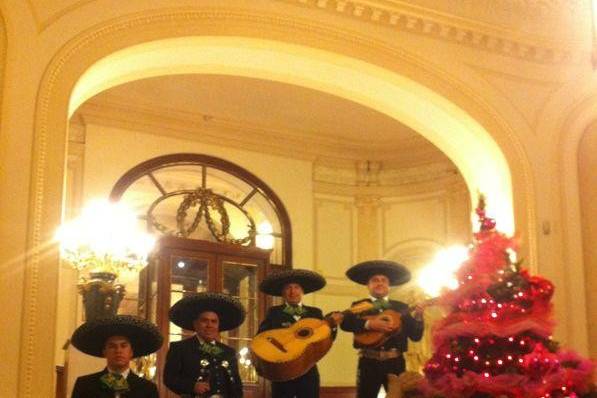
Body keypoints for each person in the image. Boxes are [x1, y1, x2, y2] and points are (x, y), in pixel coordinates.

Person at [340, 260, 425, 398]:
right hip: (368, 362)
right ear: (368, 285)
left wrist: (419, 317)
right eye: (375, 280)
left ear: (388, 285)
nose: (380, 283)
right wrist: (369, 324)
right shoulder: (358, 305)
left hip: (395, 362)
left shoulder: (401, 307)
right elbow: (346, 324)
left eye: (383, 280)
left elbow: (415, 336)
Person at [258, 268, 340, 398]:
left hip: (308, 371)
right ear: (283, 293)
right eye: (288, 288)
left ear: (302, 291)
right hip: (282, 372)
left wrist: (333, 326)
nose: (292, 291)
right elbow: (261, 337)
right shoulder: (274, 312)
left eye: (296, 287)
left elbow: (326, 338)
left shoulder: (315, 313)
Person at [164, 292, 245, 398]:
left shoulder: (228, 352)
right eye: (204, 320)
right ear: (195, 324)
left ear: (218, 326)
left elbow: (236, 385)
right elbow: (169, 379)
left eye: (214, 321)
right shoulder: (180, 348)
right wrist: (192, 386)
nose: (209, 325)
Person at [70, 315, 163, 398]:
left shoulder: (147, 389)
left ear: (131, 352)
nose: (118, 350)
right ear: (104, 352)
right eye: (112, 346)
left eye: (123, 346)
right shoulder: (85, 385)